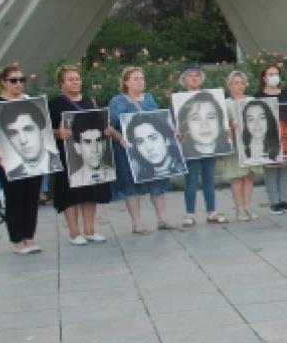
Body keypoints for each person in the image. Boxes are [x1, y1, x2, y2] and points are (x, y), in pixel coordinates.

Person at [108, 66, 180, 234]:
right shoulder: (117, 101)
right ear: (127, 82)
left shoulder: (149, 99)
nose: (140, 82)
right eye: (136, 79)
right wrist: (120, 138)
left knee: (158, 182)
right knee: (131, 186)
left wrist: (171, 131)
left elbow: (157, 121)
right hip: (127, 151)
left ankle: (162, 218)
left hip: (151, 150)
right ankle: (137, 222)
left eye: (142, 78)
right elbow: (109, 127)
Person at [0, 64, 45, 254]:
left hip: (33, 161)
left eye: (21, 80)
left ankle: (29, 236)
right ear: (4, 82)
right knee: (15, 198)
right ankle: (17, 239)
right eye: (14, 80)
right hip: (8, 159)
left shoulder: (30, 101)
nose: (18, 84)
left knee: (31, 197)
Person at [50, 66, 112, 245]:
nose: (75, 82)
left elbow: (98, 122)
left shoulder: (89, 101)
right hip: (67, 153)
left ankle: (90, 230)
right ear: (61, 83)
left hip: (91, 153)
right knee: (70, 193)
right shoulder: (55, 104)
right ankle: (74, 233)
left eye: (77, 78)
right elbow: (47, 131)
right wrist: (58, 133)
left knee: (90, 191)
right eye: (70, 79)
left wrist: (105, 130)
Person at [175, 82, 230, 226]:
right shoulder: (179, 99)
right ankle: (189, 214)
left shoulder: (212, 96)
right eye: (195, 118)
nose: (204, 125)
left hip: (211, 154)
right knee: (191, 180)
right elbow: (173, 123)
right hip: (189, 152)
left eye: (211, 117)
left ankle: (211, 212)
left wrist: (227, 129)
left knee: (209, 179)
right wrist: (177, 132)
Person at [223, 72, 266, 221]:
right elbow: (222, 126)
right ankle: (239, 208)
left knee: (249, 176)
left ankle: (248, 206)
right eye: (235, 83)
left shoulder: (252, 100)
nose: (239, 85)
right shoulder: (225, 103)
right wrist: (230, 126)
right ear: (229, 86)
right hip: (235, 145)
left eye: (241, 82)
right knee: (237, 177)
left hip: (252, 145)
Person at [0, 97, 61, 180]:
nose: (23, 140)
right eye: (13, 133)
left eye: (28, 129)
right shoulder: (13, 173)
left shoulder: (60, 164)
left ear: (42, 130)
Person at [256, 65, 287, 214]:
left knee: (284, 168)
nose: (274, 77)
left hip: (284, 136)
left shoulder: (284, 94)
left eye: (276, 74)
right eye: (270, 74)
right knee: (271, 169)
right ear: (264, 78)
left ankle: (283, 199)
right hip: (267, 138)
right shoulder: (259, 96)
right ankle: (274, 201)